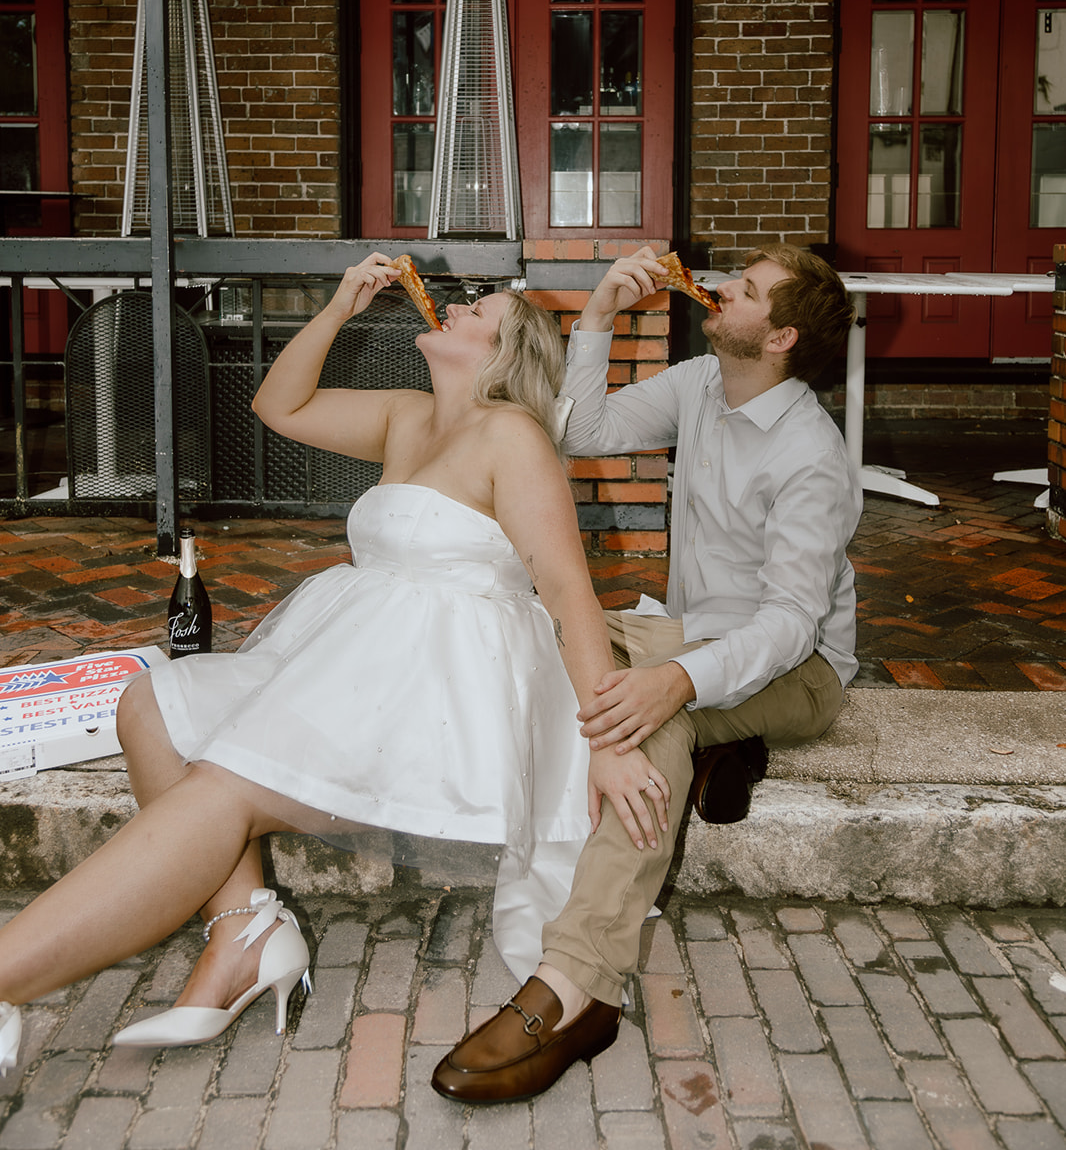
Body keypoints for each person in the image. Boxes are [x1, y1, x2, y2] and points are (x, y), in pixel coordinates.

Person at [0, 257, 669, 1073]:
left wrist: (606, 741)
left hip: (435, 694)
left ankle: (8, 979)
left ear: (504, 352)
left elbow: (568, 591)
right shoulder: (406, 414)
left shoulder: (512, 435)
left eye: (477, 309)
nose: (455, 307)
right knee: (153, 702)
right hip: (350, 660)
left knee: (224, 785)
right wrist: (339, 307)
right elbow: (277, 405)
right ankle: (245, 928)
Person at [433, 242, 862, 1105]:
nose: (721, 289)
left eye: (743, 291)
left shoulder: (812, 458)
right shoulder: (705, 382)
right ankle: (719, 748)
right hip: (683, 634)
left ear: (778, 339)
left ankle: (573, 985)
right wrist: (597, 317)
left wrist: (682, 683)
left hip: (800, 667)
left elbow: (788, 624)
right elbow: (582, 430)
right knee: (550, 625)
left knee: (649, 719)